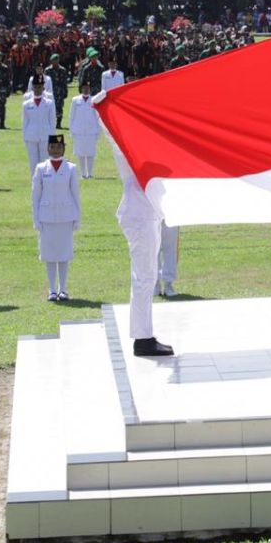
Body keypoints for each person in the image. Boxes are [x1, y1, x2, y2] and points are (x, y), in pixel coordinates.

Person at [102, 93, 173, 356]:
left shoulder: (147, 149)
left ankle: (143, 335)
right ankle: (143, 338)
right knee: (144, 277)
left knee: (147, 275)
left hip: (148, 215)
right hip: (140, 216)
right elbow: (113, 136)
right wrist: (105, 105)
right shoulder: (130, 153)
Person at [32, 134, 82, 301]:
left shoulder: (71, 168)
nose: (55, 150)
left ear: (63, 148)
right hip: (46, 217)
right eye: (52, 147)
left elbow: (75, 194)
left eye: (59, 147)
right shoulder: (41, 168)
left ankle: (63, 289)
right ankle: (52, 289)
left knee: (64, 254)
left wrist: (77, 217)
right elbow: (36, 195)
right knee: (49, 255)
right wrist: (36, 218)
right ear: (48, 148)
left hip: (65, 216)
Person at [69, 81, 102, 179]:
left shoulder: (93, 100)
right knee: (80, 153)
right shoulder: (75, 100)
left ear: (90, 89)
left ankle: (90, 173)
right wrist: (72, 130)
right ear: (81, 89)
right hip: (78, 130)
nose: (86, 90)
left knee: (90, 153)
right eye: (84, 88)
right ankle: (83, 173)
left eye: (87, 88)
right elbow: (71, 115)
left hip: (91, 130)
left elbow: (97, 116)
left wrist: (98, 131)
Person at [22, 81, 56, 175]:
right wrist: (25, 137)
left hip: (45, 135)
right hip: (31, 136)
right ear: (32, 88)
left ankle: (45, 181)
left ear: (43, 89)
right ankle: (35, 182)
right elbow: (25, 122)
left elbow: (52, 121)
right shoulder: (26, 104)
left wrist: (53, 137)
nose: (37, 89)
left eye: (39, 87)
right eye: (35, 87)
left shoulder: (49, 103)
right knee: (33, 162)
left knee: (45, 161)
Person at [158, 222, 179, 297]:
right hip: (151, 213)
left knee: (171, 248)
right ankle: (155, 285)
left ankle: (168, 285)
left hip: (171, 213)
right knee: (153, 249)